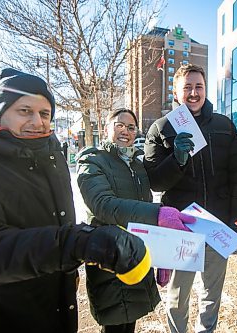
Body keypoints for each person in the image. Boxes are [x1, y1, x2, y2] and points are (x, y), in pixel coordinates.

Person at [0, 69, 152, 333]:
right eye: (24, 111)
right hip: (1, 316)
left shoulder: (50, 158)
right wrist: (78, 243)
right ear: (0, 112)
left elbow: (57, 221)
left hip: (57, 305)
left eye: (44, 114)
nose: (37, 121)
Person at [144, 64, 237, 333]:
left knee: (211, 293)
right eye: (187, 87)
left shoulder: (224, 125)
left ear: (205, 89)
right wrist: (177, 159)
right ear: (177, 92)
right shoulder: (161, 128)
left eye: (199, 86)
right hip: (182, 226)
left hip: (218, 224)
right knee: (178, 296)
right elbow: (156, 181)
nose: (194, 93)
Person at [76, 108, 196, 333]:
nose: (126, 131)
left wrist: (179, 159)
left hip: (137, 255)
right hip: (109, 258)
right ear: (106, 128)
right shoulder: (92, 160)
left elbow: (159, 181)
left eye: (131, 127)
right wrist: (157, 214)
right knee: (114, 324)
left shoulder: (136, 163)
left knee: (129, 324)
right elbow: (103, 205)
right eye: (119, 125)